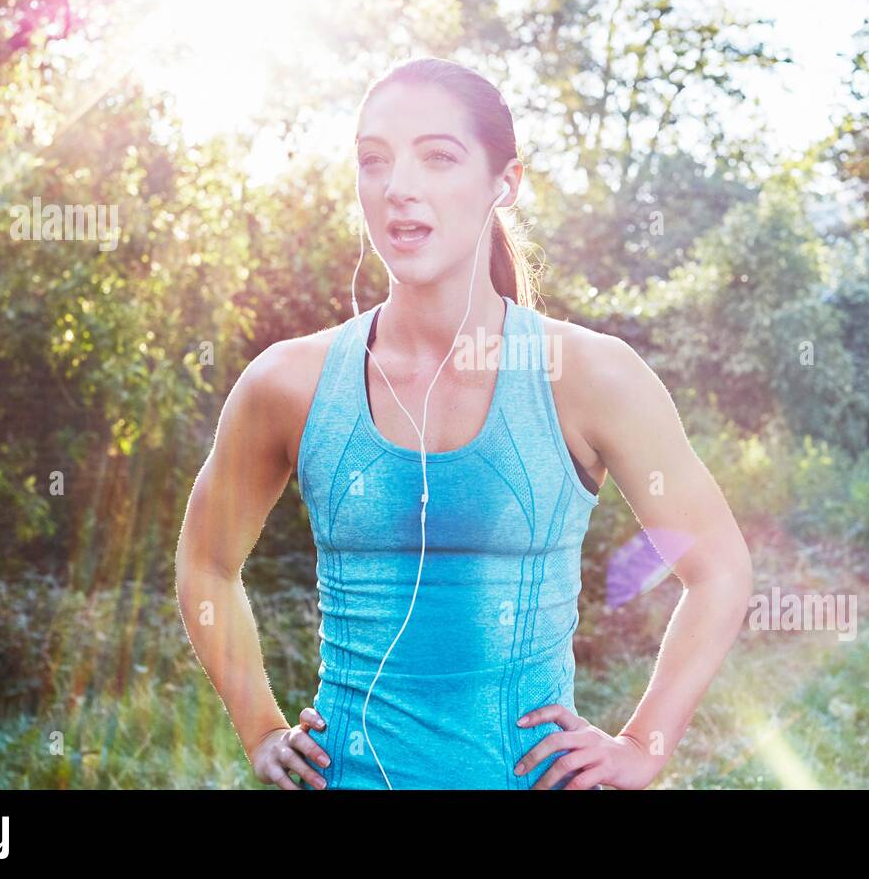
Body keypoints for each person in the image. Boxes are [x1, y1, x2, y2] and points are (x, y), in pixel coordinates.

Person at [174, 56, 753, 790]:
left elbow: (720, 568)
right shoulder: (285, 383)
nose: (398, 187)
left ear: (505, 183)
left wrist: (644, 744)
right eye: (373, 161)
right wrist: (259, 728)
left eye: (438, 157)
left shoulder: (587, 375)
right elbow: (206, 565)